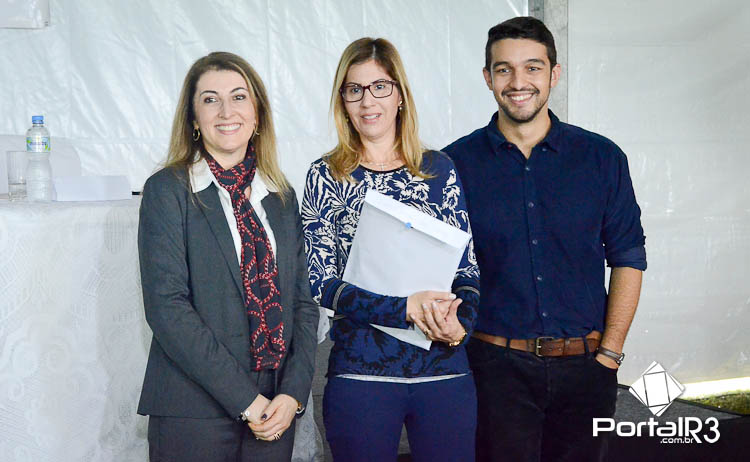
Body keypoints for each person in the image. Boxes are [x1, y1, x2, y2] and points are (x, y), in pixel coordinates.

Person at [442, 17, 647, 462]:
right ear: (487, 77)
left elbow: (628, 257)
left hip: (587, 368)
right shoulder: (453, 164)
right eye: (504, 69)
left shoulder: (602, 158)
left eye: (532, 68)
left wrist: (610, 354)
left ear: (555, 73)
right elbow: (440, 268)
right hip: (494, 371)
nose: (519, 82)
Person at [301, 38, 481, 462]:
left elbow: (467, 270)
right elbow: (321, 284)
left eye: (380, 87)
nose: (368, 101)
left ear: (400, 94)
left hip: (443, 368)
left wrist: (461, 325)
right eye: (354, 89)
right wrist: (404, 309)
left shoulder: (439, 169)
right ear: (342, 101)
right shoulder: (325, 175)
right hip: (361, 372)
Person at [136, 51, 319, 462]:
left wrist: (292, 394)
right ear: (193, 118)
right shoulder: (168, 191)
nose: (225, 111)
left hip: (275, 410)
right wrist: (246, 400)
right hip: (193, 412)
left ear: (257, 114)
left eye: (238, 97)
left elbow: (303, 304)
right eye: (210, 99)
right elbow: (167, 309)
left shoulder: (281, 197)